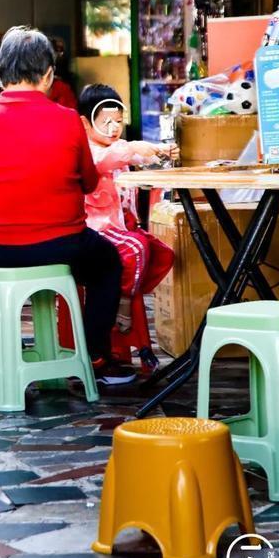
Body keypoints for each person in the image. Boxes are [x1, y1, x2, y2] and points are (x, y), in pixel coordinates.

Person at [0, 26, 135, 386]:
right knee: (107, 264)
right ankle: (94, 353)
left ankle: (0, 353)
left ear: (0, 73)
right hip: (60, 245)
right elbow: (89, 181)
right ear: (49, 74)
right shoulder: (68, 120)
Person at [77, 84, 176, 369]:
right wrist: (135, 148)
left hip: (120, 228)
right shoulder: (91, 152)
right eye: (105, 121)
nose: (113, 128)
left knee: (161, 252)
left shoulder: (117, 148)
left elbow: (138, 156)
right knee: (137, 247)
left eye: (118, 121)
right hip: (97, 231)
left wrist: (161, 151)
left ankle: (125, 298)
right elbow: (115, 157)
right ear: (86, 122)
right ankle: (121, 305)